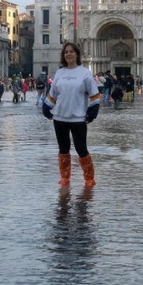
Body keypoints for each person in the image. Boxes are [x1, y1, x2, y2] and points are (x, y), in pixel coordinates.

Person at [43, 42, 101, 187]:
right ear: (63, 55)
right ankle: (65, 178)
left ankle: (89, 179)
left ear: (77, 54)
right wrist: (47, 106)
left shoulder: (85, 73)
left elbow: (94, 95)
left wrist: (92, 111)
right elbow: (53, 94)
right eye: (66, 52)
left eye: (71, 52)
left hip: (78, 118)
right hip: (59, 117)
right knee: (63, 149)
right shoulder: (59, 73)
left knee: (81, 149)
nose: (68, 54)